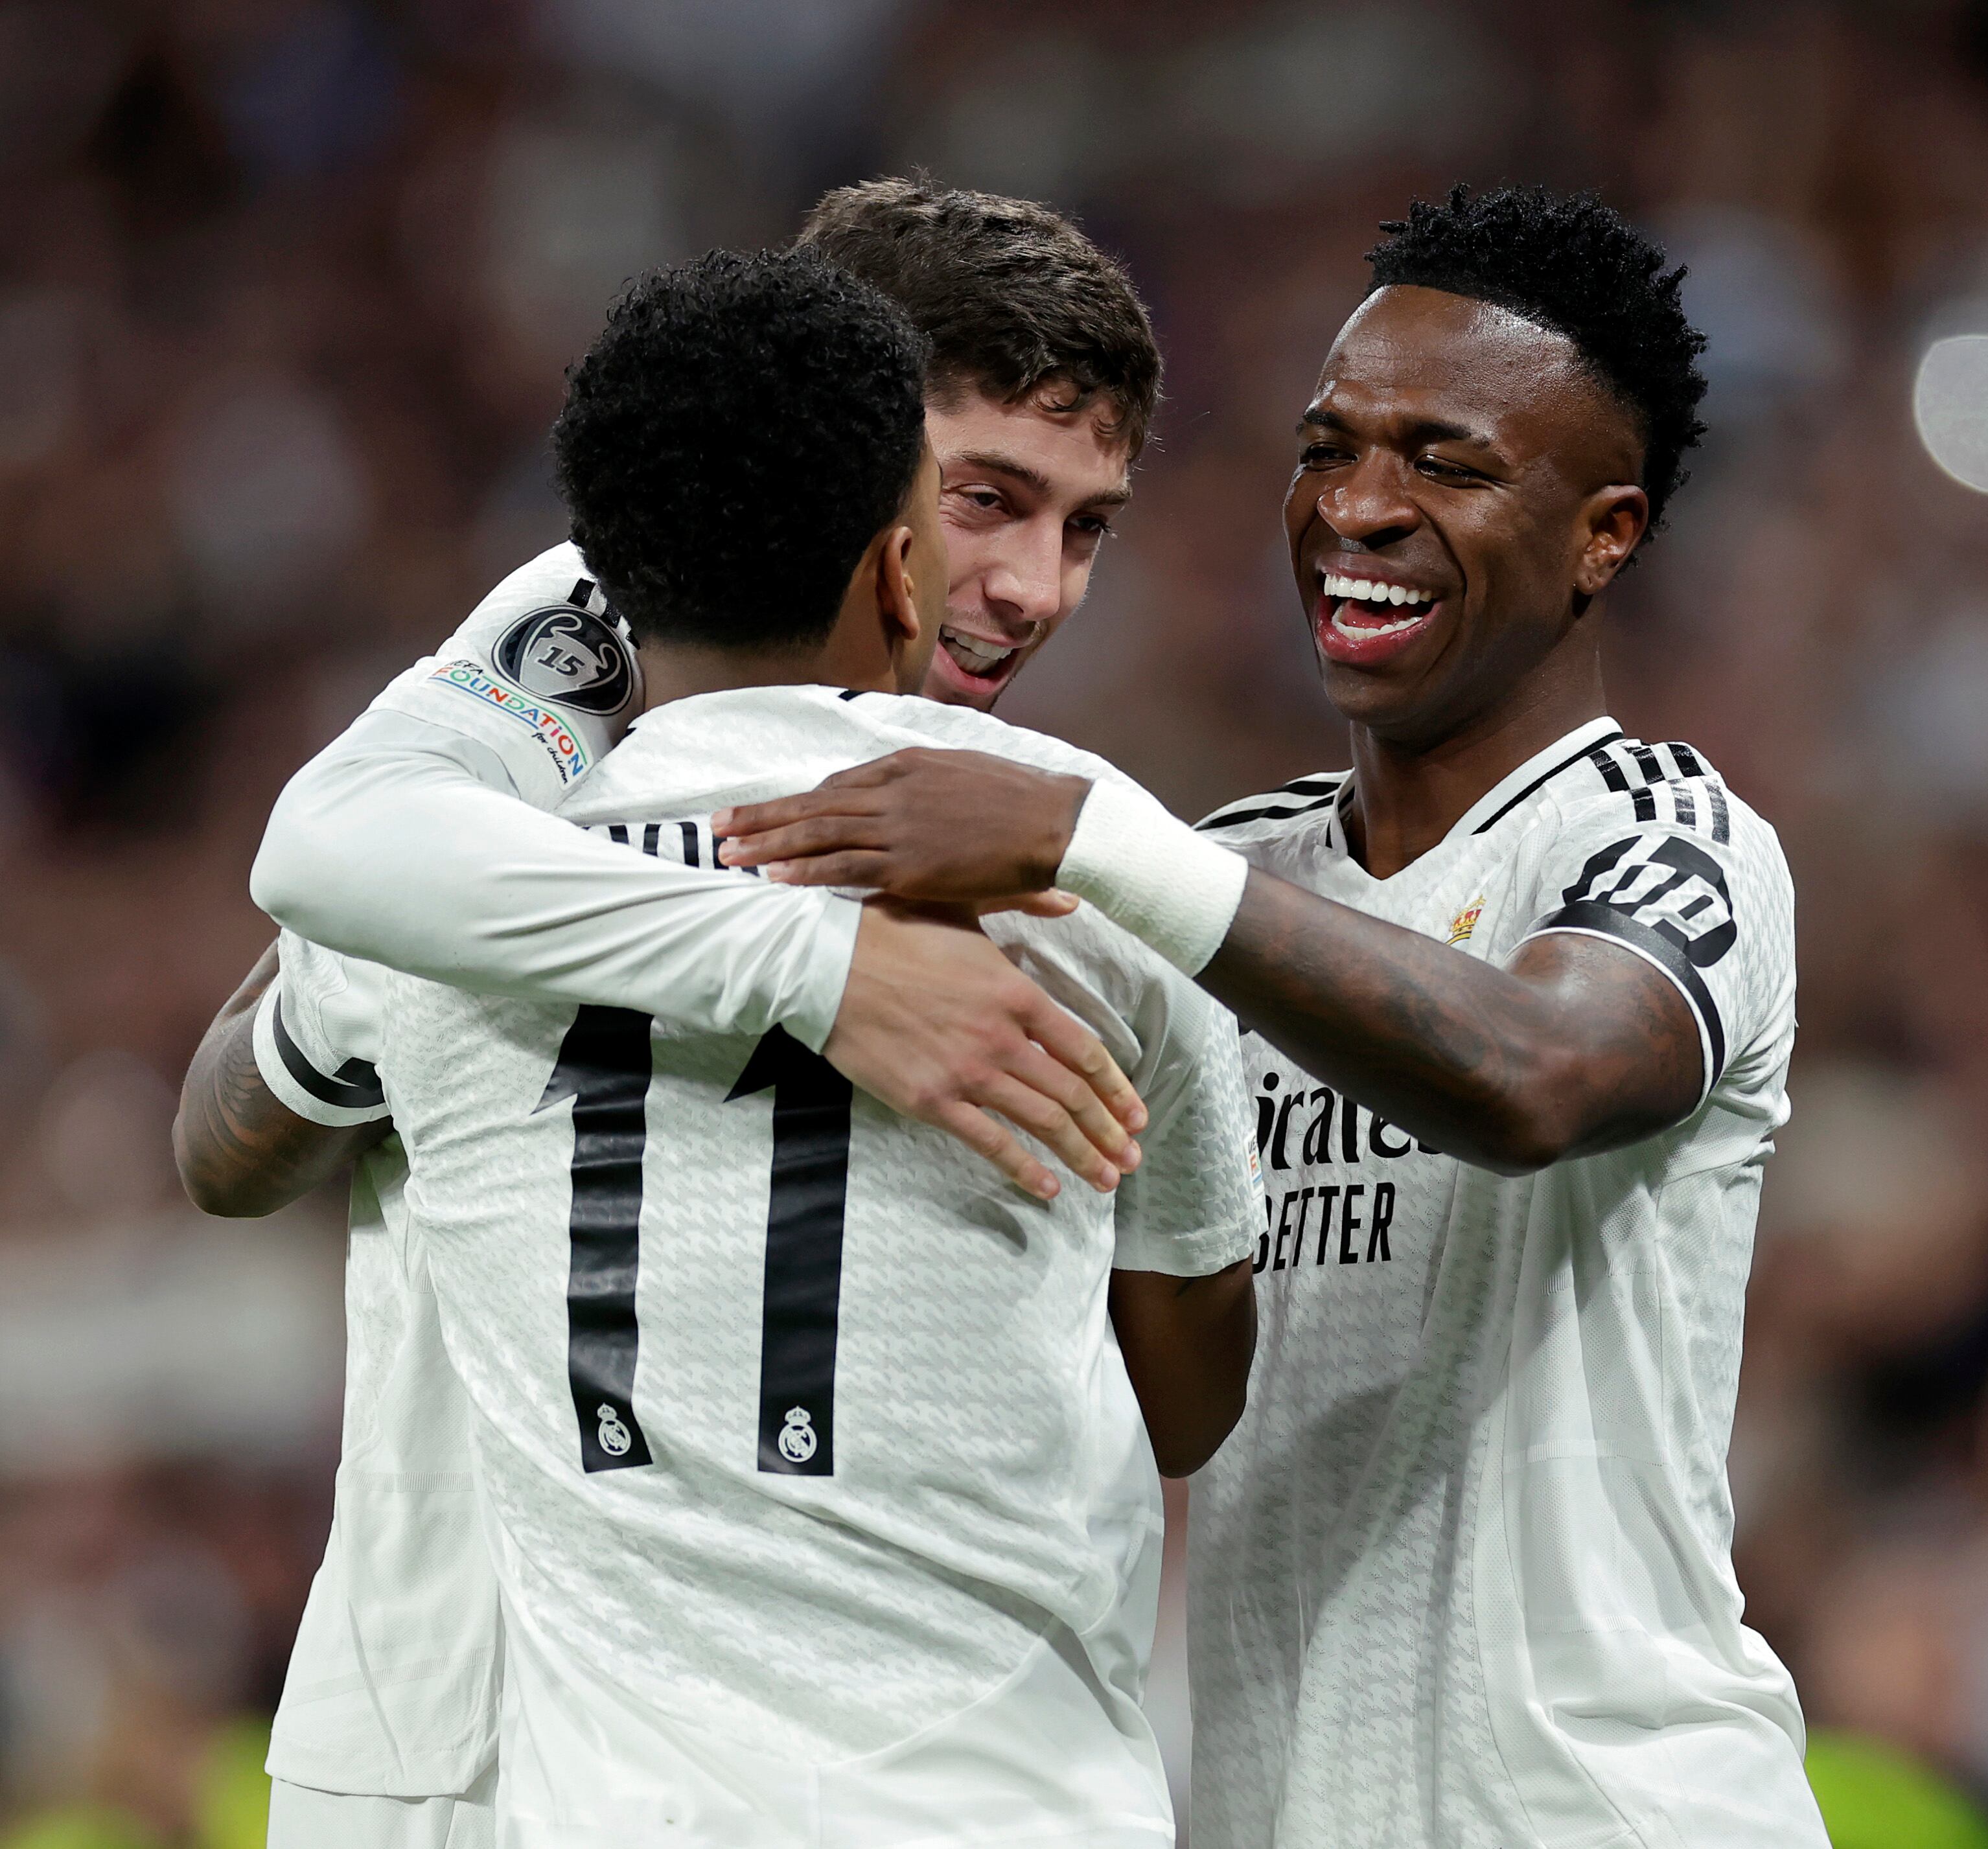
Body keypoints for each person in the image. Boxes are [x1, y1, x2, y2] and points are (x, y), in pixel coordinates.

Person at [712, 185, 1829, 1848]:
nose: (1358, 507)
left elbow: (1536, 1073)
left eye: (1445, 463)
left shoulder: (1660, 836)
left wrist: (1094, 843)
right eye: (1327, 449)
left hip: (1606, 1808)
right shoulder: (1218, 877)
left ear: (1603, 533)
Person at [172, 179, 1187, 1848]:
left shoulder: (1040, 833)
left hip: (865, 1742)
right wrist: (805, 958)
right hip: (463, 1717)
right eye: (987, 500)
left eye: (1086, 527)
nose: (1026, 589)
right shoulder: (571, 661)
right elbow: (261, 1033)